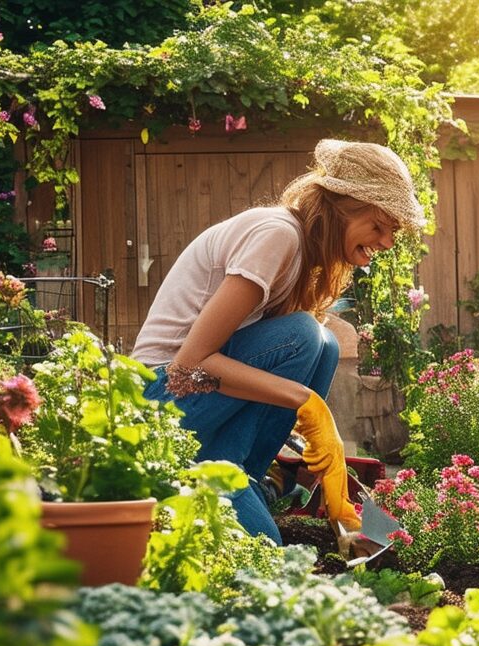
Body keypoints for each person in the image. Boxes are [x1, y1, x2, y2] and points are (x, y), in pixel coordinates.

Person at [133, 139, 425, 543]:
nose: (387, 242)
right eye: (378, 226)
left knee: (324, 345)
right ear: (339, 208)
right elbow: (190, 365)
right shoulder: (277, 234)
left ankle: (247, 477)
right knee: (304, 337)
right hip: (159, 400)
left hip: (192, 399)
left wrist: (335, 480)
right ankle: (217, 475)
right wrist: (309, 406)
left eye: (391, 230)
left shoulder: (302, 251)